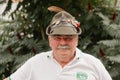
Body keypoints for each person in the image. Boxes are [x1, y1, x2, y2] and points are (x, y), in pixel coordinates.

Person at [4, 11, 112, 80]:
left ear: (77, 40)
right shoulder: (35, 63)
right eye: (57, 37)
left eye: (68, 37)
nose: (63, 42)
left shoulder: (93, 64)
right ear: (50, 40)